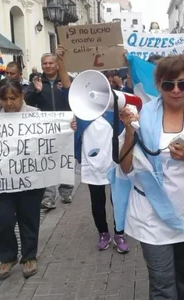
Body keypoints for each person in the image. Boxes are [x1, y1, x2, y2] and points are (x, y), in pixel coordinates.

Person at [118, 55, 184, 299]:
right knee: (162, 286)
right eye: (169, 85)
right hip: (151, 214)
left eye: (183, 84)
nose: (176, 91)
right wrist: (127, 131)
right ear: (158, 86)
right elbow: (125, 168)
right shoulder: (142, 118)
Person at [56, 46, 131, 254]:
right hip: (91, 161)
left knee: (119, 197)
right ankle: (103, 233)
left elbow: (133, 89)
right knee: (97, 199)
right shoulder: (80, 106)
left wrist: (128, 62)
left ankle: (120, 232)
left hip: (115, 159)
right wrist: (60, 60)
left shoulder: (117, 103)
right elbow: (67, 86)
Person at [0, 79, 42, 279]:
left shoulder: (35, 115)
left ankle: (29, 257)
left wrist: (69, 126)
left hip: (29, 178)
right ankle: (7, 257)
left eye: (13, 98)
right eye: (5, 99)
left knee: (29, 217)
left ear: (22, 96)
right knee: (2, 218)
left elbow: (51, 137)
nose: (9, 103)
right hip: (0, 180)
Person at [25, 53, 74, 209]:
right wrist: (37, 91)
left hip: (65, 127)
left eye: (50, 63)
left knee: (66, 159)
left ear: (57, 64)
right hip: (45, 129)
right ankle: (48, 196)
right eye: (44, 63)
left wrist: (64, 92)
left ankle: (66, 192)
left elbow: (75, 100)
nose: (47, 66)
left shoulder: (66, 80)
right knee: (47, 161)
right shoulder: (36, 81)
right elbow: (28, 102)